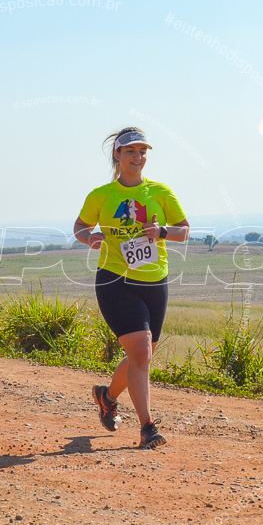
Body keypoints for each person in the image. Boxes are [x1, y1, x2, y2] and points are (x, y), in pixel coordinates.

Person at [73, 128, 190, 449]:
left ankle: (106, 396)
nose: (137, 157)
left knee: (143, 354)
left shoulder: (161, 192)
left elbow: (184, 231)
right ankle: (148, 428)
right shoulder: (102, 195)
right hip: (114, 280)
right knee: (140, 352)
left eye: (142, 152)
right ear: (117, 155)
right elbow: (80, 226)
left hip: (154, 281)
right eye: (130, 152)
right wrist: (90, 238)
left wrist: (163, 231)